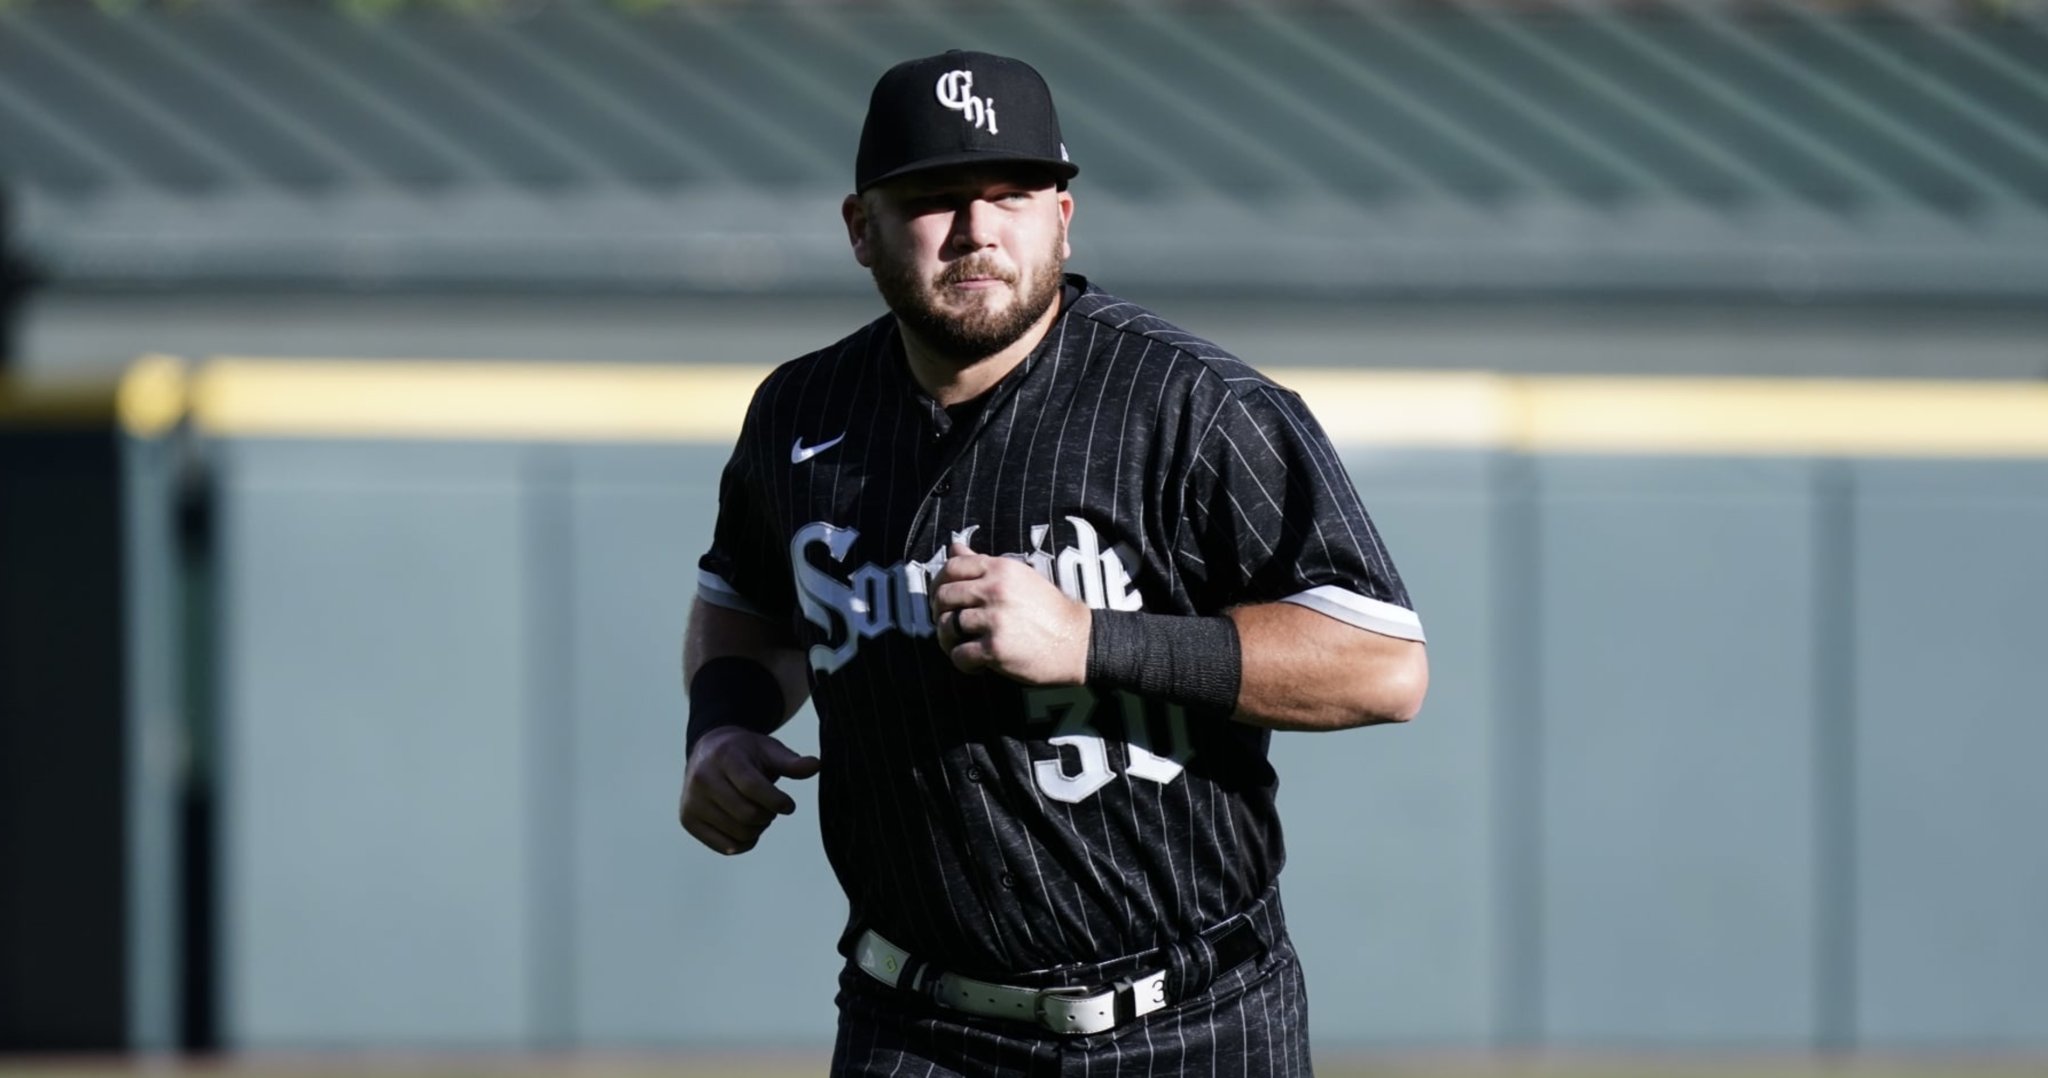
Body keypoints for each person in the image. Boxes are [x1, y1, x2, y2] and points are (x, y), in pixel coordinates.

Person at [680, 48, 1429, 1076]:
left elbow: (1378, 663)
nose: (976, 229)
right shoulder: (800, 414)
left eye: (1012, 195)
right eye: (934, 198)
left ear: (1061, 219)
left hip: (1189, 1021)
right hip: (916, 1026)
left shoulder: (1192, 406)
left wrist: (1088, 638)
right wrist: (719, 723)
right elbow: (748, 607)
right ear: (861, 228)